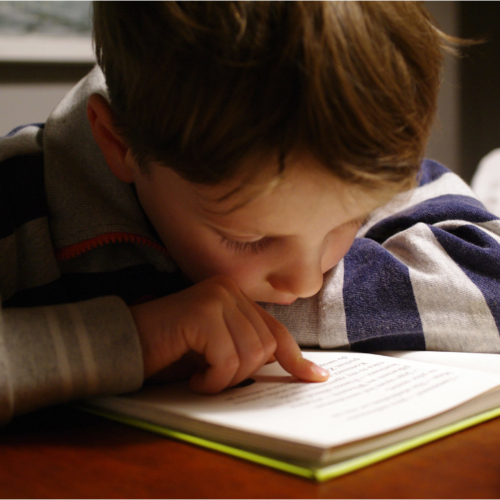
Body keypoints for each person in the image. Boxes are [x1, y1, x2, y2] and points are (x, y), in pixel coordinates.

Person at [1, 2, 499, 426]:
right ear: (119, 144)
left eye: (349, 220)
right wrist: (131, 337)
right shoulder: (18, 201)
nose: (306, 281)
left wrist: (254, 319)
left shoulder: (356, 158)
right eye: (250, 238)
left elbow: (491, 281)